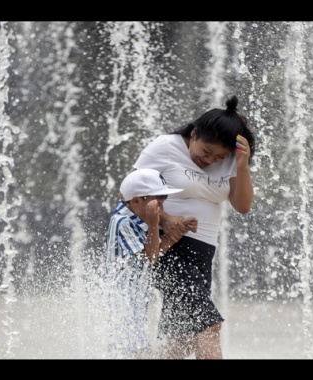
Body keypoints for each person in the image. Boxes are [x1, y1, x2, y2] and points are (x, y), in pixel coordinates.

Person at [132, 95, 256, 359]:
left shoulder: (233, 160)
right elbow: (130, 193)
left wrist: (242, 166)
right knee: (209, 326)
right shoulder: (166, 146)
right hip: (169, 247)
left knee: (180, 341)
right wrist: (165, 219)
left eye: (219, 156)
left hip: (202, 254)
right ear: (194, 133)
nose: (209, 160)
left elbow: (242, 206)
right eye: (205, 151)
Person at [104, 168, 197, 359]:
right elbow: (151, 257)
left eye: (162, 203)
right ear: (137, 200)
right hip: (122, 302)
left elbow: (152, 253)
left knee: (137, 350)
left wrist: (174, 234)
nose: (160, 210)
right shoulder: (121, 222)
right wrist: (155, 224)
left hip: (136, 299)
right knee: (132, 351)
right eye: (156, 204)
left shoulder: (137, 216)